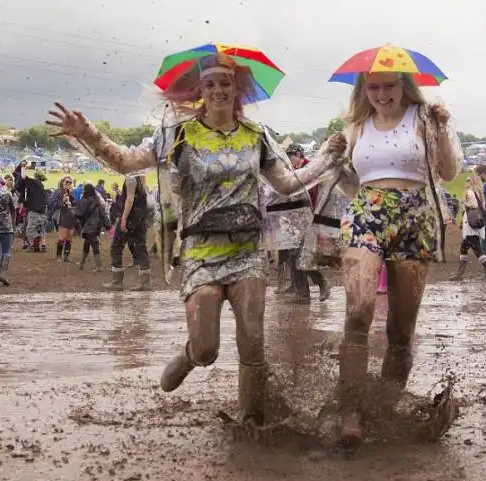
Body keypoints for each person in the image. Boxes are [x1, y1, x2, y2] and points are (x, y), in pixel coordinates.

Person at [46, 53, 347, 426]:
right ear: (200, 89)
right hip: (201, 250)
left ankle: (251, 423)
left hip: (247, 249)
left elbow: (286, 183)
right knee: (208, 348)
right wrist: (85, 131)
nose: (219, 90)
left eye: (226, 83)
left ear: (238, 89)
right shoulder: (179, 134)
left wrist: (326, 155)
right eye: (211, 84)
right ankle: (191, 357)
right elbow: (125, 162)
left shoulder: (257, 135)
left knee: (252, 342)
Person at [336, 70, 462, 448]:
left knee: (401, 330)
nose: (381, 94)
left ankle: (385, 409)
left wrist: (442, 128)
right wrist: (334, 160)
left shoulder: (425, 119)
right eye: (373, 86)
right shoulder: (356, 125)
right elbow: (350, 182)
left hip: (415, 216)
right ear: (363, 90)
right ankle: (352, 411)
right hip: (367, 214)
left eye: (389, 85)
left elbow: (449, 171)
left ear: (404, 86)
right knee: (358, 310)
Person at [283, 144, 331, 304]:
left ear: (299, 155)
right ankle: (302, 294)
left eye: (292, 157)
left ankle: (321, 281)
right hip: (293, 220)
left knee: (301, 256)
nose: (290, 161)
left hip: (308, 219)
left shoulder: (309, 170)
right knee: (293, 256)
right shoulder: (294, 172)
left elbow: (314, 197)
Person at [103, 173, 151, 291]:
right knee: (140, 247)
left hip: (131, 217)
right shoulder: (140, 178)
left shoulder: (130, 178)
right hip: (140, 218)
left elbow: (130, 198)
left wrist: (123, 218)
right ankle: (145, 282)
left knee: (116, 246)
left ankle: (117, 281)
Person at [449, 173, 486, 281]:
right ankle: (459, 274)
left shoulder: (470, 192)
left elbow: (473, 205)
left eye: (468, 180)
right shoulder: (479, 193)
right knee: (464, 249)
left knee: (477, 250)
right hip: (475, 223)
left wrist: (465, 202)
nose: (466, 182)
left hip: (470, 225)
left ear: (472, 182)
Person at [74, 183, 111, 271]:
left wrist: (73, 212)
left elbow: (80, 213)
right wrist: (108, 225)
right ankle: (81, 264)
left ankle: (99, 266)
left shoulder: (85, 200)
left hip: (89, 226)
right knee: (87, 243)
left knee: (94, 245)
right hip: (97, 226)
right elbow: (103, 214)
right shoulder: (97, 200)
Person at [18, 170, 48, 253]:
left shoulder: (34, 183)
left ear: (35, 177)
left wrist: (23, 167)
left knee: (30, 229)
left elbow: (23, 177)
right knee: (40, 228)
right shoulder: (41, 186)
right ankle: (40, 246)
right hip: (43, 210)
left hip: (35, 210)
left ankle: (33, 245)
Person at [49, 176, 77, 262]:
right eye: (67, 182)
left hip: (71, 216)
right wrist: (62, 201)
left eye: (70, 182)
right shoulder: (57, 192)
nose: (68, 184)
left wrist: (71, 197)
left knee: (70, 238)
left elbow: (74, 204)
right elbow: (51, 203)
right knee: (63, 237)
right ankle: (58, 256)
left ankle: (66, 256)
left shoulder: (71, 192)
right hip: (62, 215)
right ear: (62, 182)